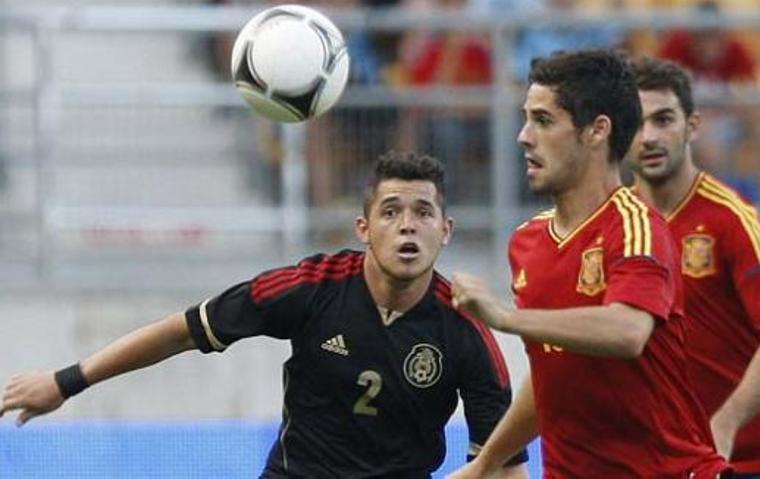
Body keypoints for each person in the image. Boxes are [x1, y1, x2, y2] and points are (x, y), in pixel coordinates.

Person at [0, 152, 528, 479]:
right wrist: (66, 381)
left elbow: (502, 465)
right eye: (390, 211)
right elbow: (184, 331)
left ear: (447, 229)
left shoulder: (466, 334)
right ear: (364, 228)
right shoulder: (309, 288)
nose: (407, 226)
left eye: (422, 212)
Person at [447, 49, 729, 478]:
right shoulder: (528, 241)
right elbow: (552, 377)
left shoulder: (637, 227)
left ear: (597, 131)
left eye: (543, 121)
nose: (523, 136)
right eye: (526, 118)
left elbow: (627, 330)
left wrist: (505, 318)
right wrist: (487, 463)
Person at [627, 57, 760, 478]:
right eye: (637, 122)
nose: (649, 137)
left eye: (664, 120)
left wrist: (726, 422)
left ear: (692, 126)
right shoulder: (615, 225)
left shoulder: (730, 217)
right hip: (678, 462)